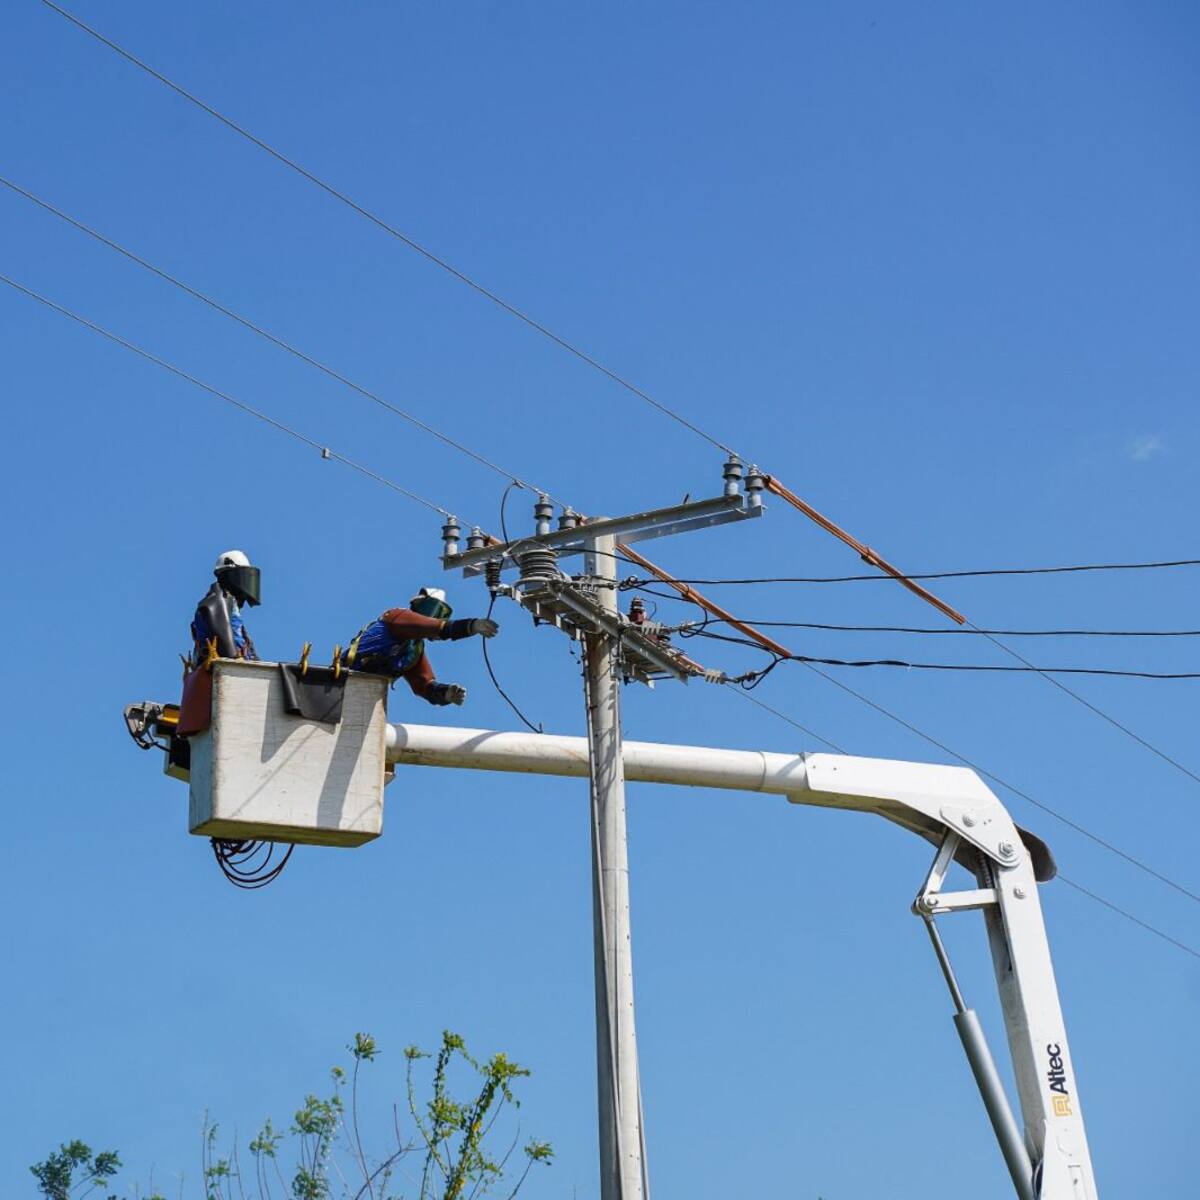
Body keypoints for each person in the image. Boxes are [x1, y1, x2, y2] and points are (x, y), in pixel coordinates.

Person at [342, 587, 497, 706]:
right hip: (341, 682)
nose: (436, 617)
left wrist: (446, 693)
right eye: (437, 611)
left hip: (364, 697)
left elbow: (424, 685)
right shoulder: (397, 616)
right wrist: (472, 625)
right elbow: (439, 628)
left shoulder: (414, 650)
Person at [191, 549, 262, 663]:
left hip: (240, 660)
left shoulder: (229, 601)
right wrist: (233, 658)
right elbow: (221, 633)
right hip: (229, 663)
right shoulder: (217, 600)